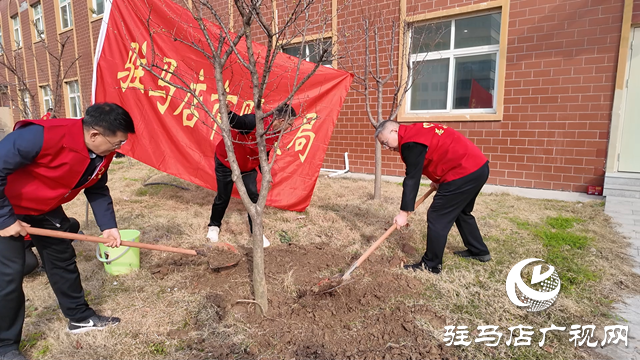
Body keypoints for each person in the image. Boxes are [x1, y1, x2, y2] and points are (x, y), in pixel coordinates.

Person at [0, 102, 135, 360]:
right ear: (94, 134)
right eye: (116, 144)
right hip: (6, 205)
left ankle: (80, 318)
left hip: (44, 207)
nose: (118, 150)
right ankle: (5, 346)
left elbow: (97, 188)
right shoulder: (39, 136)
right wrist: (5, 219)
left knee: (62, 259)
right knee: (8, 275)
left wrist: (109, 227)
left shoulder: (100, 152)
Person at [375, 120, 491, 274]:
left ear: (394, 131)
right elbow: (436, 151)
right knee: (461, 211)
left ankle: (431, 265)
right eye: (383, 145)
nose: (387, 148)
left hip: (463, 172)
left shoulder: (410, 143)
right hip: (478, 167)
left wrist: (404, 213)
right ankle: (479, 251)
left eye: (386, 142)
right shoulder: (414, 131)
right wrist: (437, 180)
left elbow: (412, 178)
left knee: (437, 216)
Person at [207, 104, 297, 247]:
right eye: (290, 124)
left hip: (247, 166)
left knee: (253, 196)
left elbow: (264, 153)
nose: (289, 128)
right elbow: (238, 122)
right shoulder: (255, 121)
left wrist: (265, 172)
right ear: (281, 121)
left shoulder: (274, 133)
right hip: (226, 161)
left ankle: (256, 232)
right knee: (223, 196)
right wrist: (228, 112)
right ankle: (214, 226)